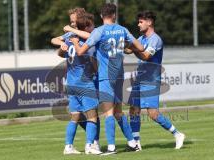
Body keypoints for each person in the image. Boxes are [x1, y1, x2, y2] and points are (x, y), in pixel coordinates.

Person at [71, 3, 144, 155]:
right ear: (114, 15)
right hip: (119, 75)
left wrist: (75, 43)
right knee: (118, 112)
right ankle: (133, 143)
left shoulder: (99, 31)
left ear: (101, 16)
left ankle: (111, 147)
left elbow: (81, 52)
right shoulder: (122, 30)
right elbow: (140, 47)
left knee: (109, 113)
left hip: (105, 77)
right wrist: (126, 47)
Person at [126, 11, 185, 150]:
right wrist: (119, 43)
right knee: (134, 110)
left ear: (149, 22)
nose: (138, 24)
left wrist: (133, 48)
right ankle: (136, 143)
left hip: (151, 81)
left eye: (141, 22)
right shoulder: (141, 38)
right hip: (139, 78)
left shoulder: (155, 40)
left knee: (153, 114)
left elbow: (145, 56)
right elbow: (129, 50)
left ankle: (177, 134)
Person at [51, 8, 101, 155]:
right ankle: (90, 146)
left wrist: (65, 39)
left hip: (71, 83)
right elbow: (56, 42)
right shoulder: (78, 36)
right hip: (84, 82)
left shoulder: (74, 35)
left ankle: (68, 146)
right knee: (92, 116)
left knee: (75, 116)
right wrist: (61, 45)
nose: (71, 23)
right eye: (71, 20)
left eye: (73, 20)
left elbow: (87, 34)